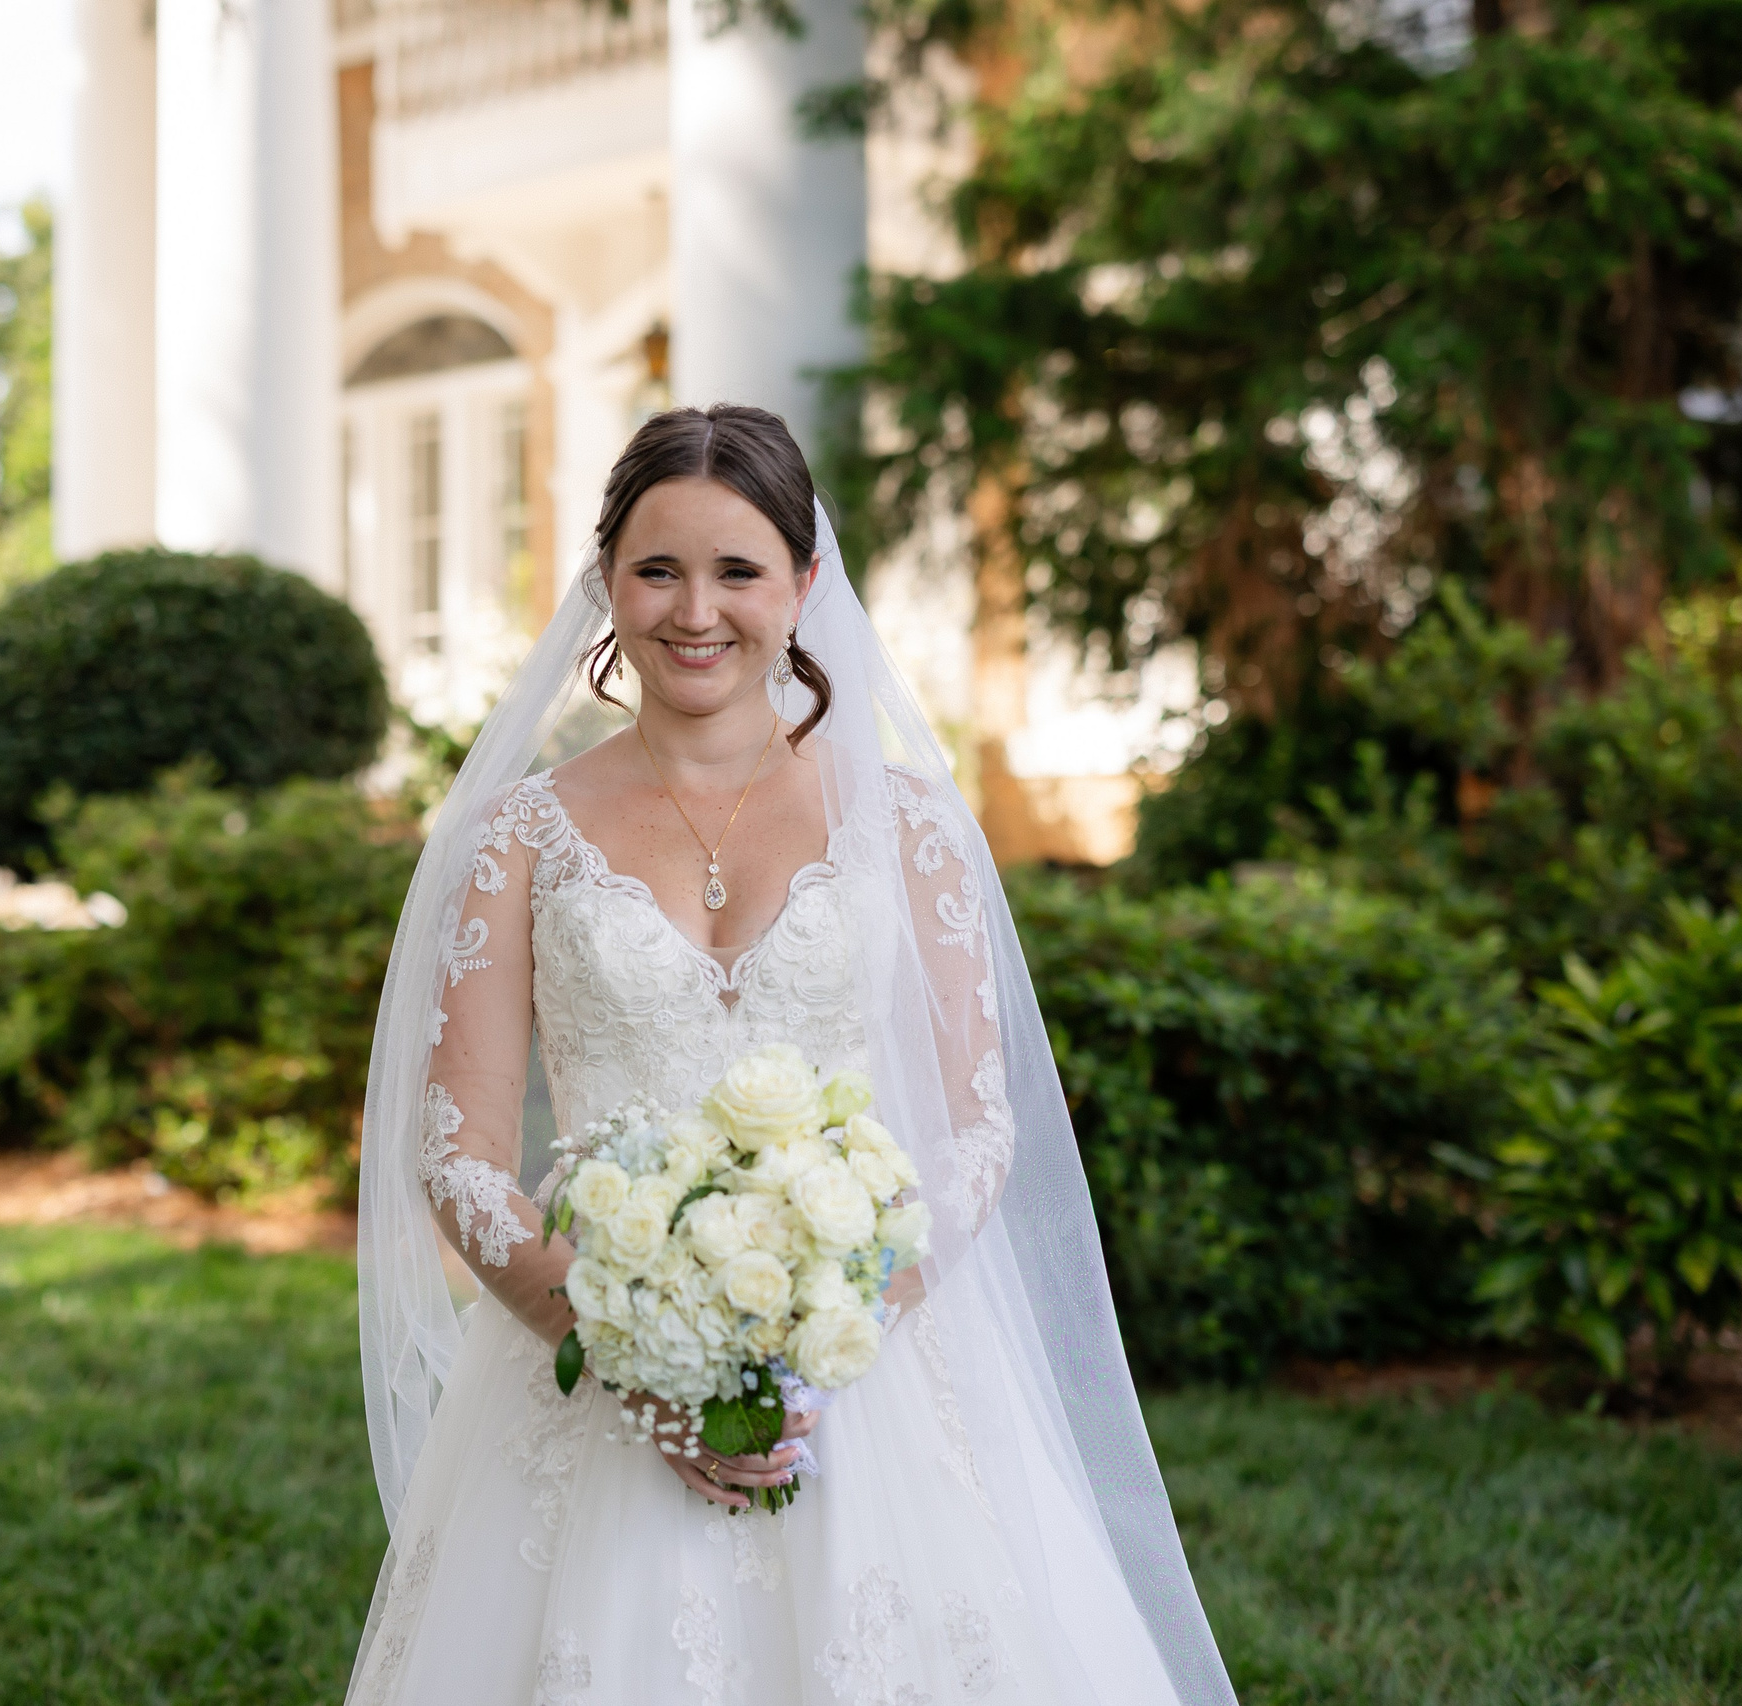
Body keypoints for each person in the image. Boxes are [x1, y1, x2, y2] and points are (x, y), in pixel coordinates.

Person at [349, 405, 1234, 1704]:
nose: (694, 610)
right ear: (606, 582)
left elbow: (976, 1127)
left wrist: (830, 1331)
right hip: (591, 1371)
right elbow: (461, 1152)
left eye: (739, 571)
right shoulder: (519, 837)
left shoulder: (913, 822)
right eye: (656, 570)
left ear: (806, 584)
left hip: (868, 1377)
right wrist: (631, 1349)